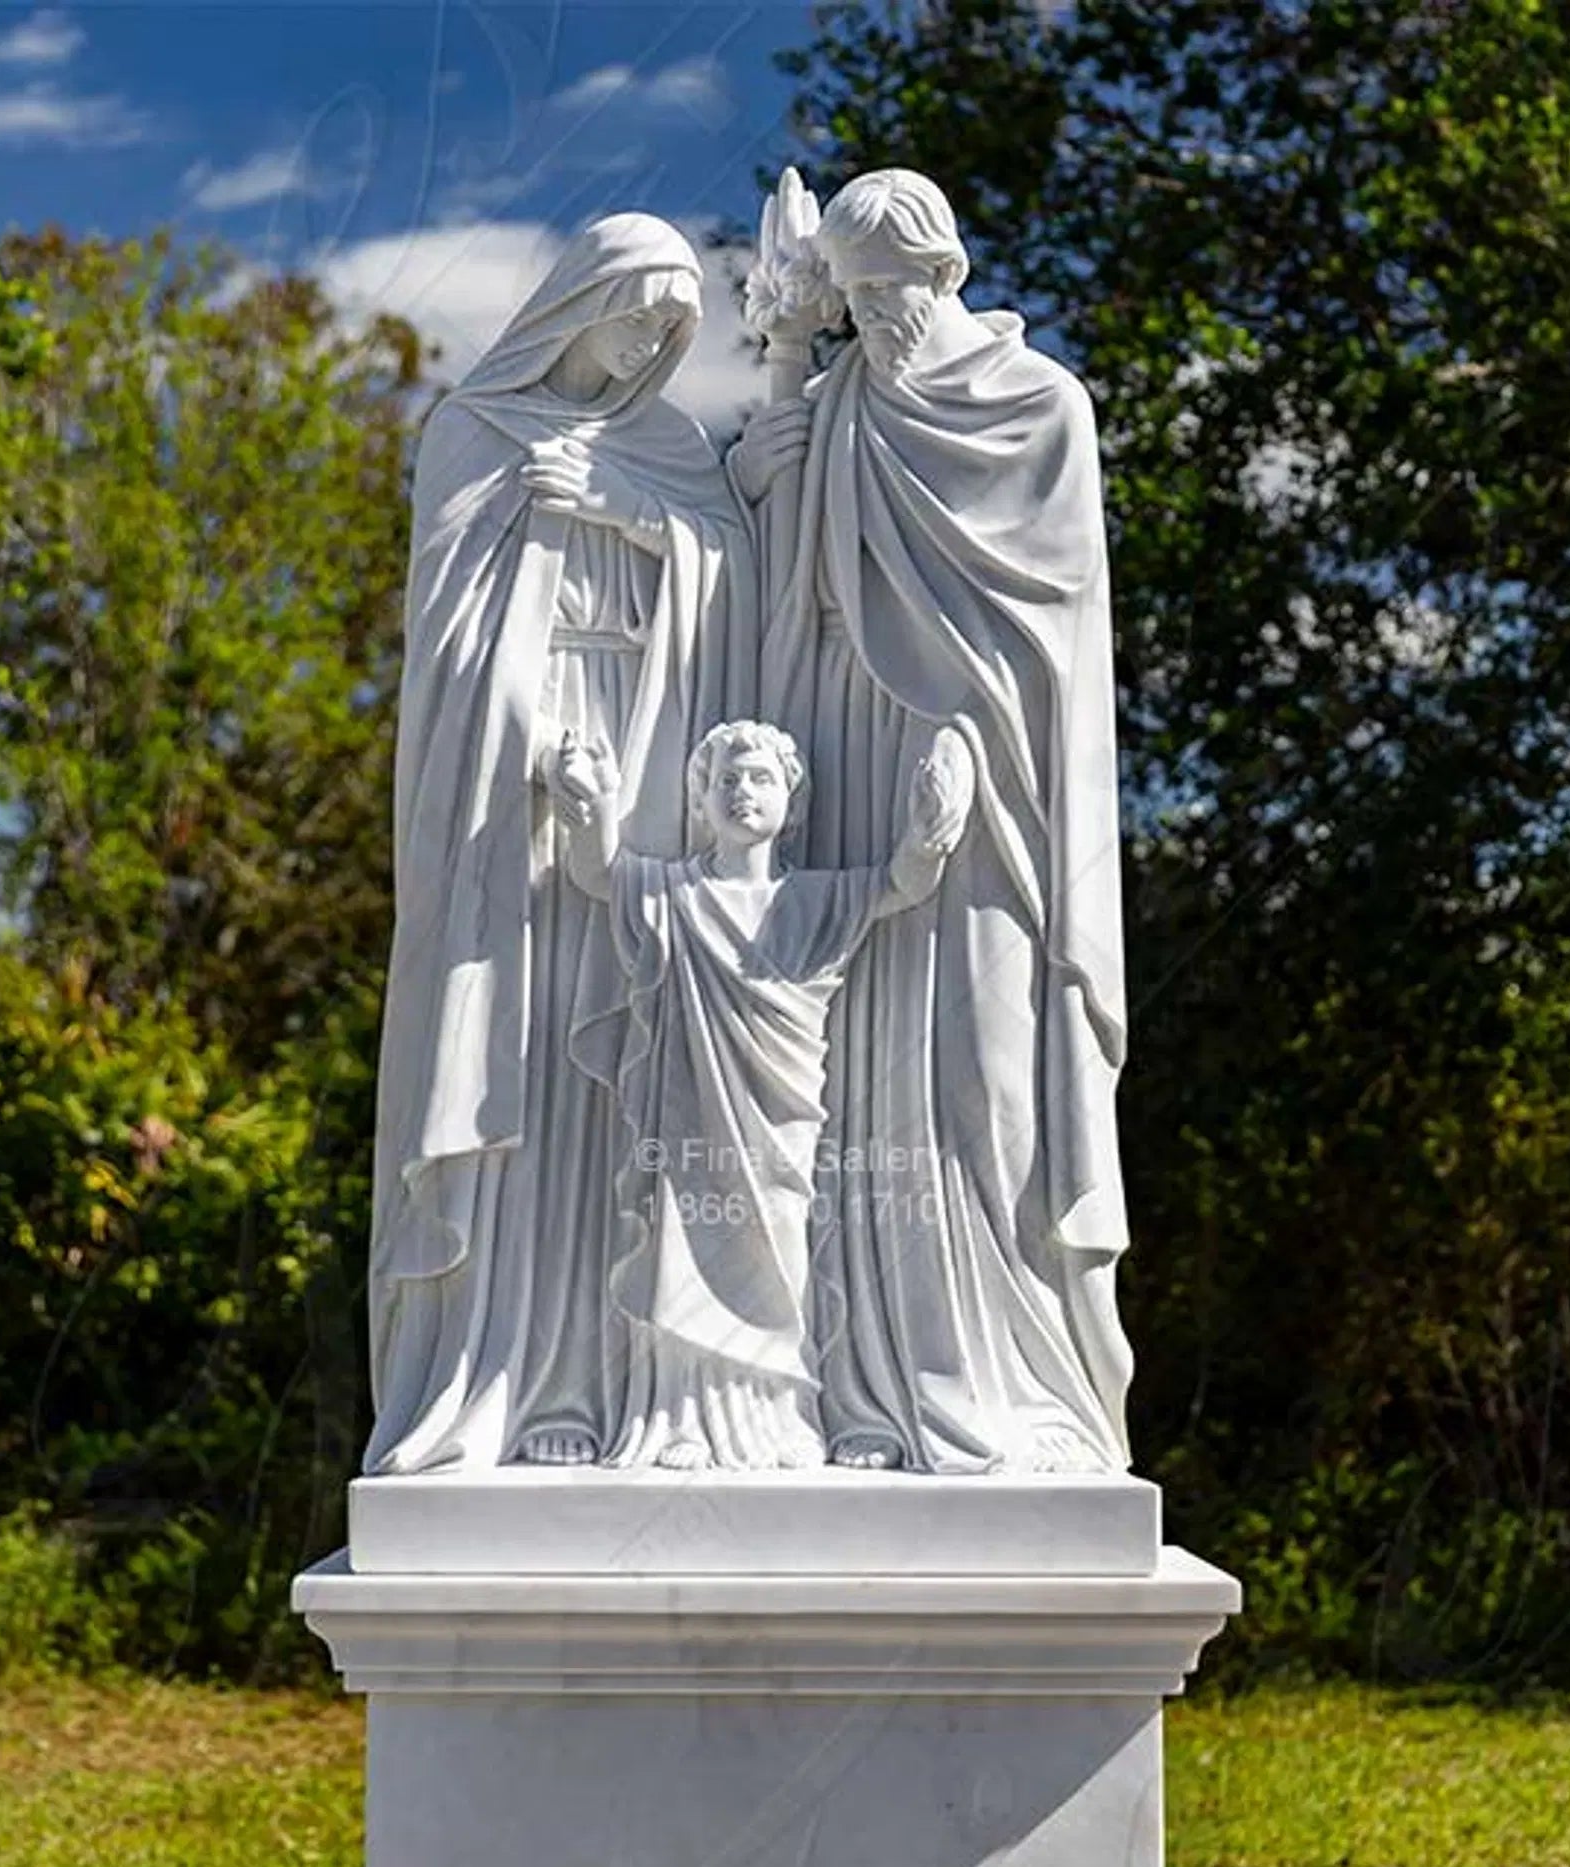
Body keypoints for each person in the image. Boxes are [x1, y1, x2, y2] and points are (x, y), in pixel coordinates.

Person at [732, 169, 1133, 1474]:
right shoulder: (838, 401)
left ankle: (1012, 1385)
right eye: (853, 300)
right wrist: (762, 458)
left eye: (888, 292)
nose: (873, 320)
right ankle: (866, 1397)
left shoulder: (1041, 408)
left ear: (946, 272)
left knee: (984, 1076)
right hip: (849, 770)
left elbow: (1054, 622)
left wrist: (965, 732)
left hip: (992, 794)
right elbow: (785, 604)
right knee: (852, 1090)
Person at [367, 214, 755, 1472]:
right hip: (514, 789)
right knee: (517, 1061)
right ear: (576, 298)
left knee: (622, 1076)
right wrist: (528, 736)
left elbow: (733, 587)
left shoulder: (674, 447)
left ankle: (605, 1378)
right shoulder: (472, 435)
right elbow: (449, 643)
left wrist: (634, 514)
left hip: (645, 778)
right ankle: (501, 1378)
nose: (651, 338)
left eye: (674, 323)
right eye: (637, 307)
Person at [551, 718, 972, 1469]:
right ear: (701, 800)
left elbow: (902, 884)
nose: (743, 791)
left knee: (780, 1253)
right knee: (679, 1248)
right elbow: (600, 873)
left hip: (780, 1122)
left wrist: (932, 825)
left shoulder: (816, 899)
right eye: (727, 780)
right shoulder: (670, 890)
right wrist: (592, 804)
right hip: (684, 1118)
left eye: (761, 778)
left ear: (792, 801)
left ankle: (778, 1422)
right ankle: (677, 1420)